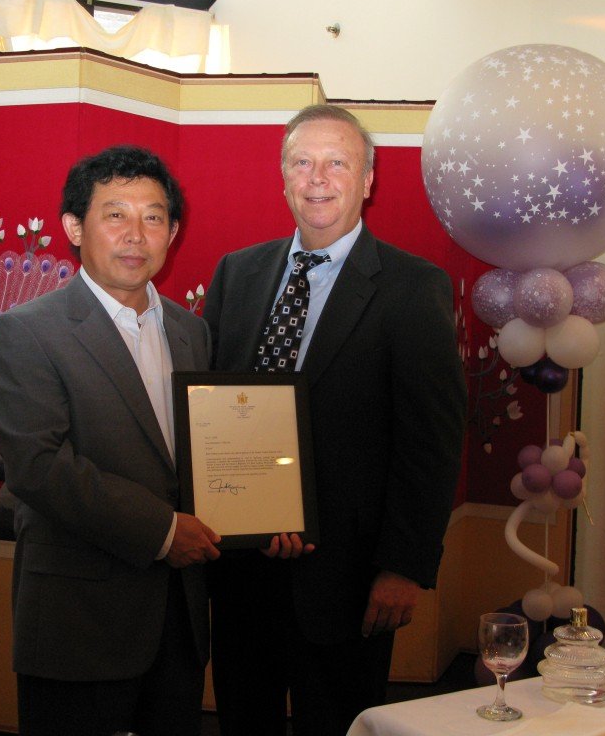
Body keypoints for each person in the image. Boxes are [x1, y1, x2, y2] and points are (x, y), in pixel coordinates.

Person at [202, 104, 467, 736]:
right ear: (283, 178)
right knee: (243, 722)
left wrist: (404, 566)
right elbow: (211, 407)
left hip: (348, 580)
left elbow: (431, 441)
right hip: (239, 568)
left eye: (337, 163)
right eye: (302, 162)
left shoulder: (413, 286)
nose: (317, 178)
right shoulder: (238, 273)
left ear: (368, 180)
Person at [0, 145, 221, 736]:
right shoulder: (27, 332)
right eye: (116, 214)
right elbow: (39, 468)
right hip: (78, 620)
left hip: (179, 618)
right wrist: (163, 531)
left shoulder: (192, 332)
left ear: (173, 232)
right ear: (74, 227)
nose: (136, 234)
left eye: (154, 217)